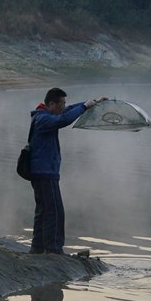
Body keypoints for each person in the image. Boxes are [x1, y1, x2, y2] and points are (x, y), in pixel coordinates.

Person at [26, 87, 107, 255]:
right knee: (54, 211)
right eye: (61, 103)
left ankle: (37, 247)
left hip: (41, 172)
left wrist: (92, 103)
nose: (64, 106)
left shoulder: (44, 114)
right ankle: (54, 250)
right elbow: (64, 120)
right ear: (51, 104)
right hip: (45, 173)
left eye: (64, 103)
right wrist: (84, 107)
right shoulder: (44, 119)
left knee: (43, 210)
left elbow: (67, 111)